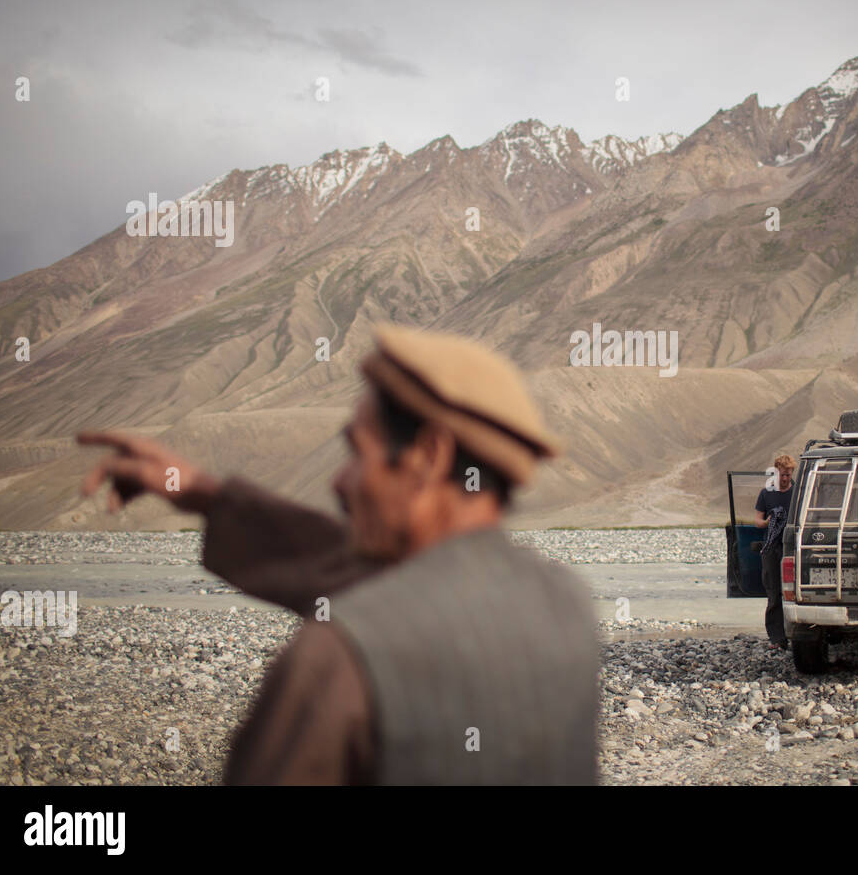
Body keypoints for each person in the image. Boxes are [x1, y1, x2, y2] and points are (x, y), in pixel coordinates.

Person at [78, 324, 599, 784]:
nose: (339, 481)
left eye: (356, 452)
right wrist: (201, 492)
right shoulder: (565, 602)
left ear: (428, 454)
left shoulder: (337, 659)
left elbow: (384, 595)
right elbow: (384, 578)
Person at [754, 453, 796, 650]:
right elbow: (758, 521)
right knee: (774, 592)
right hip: (771, 548)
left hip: (793, 547)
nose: (785, 478)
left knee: (795, 591)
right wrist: (768, 522)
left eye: (788, 474)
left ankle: (798, 634)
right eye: (782, 474)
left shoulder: (798, 493)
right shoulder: (766, 494)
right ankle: (777, 638)